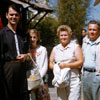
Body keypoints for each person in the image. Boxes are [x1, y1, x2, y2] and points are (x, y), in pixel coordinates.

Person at [0, 4, 31, 100]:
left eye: (16, 15)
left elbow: (29, 54)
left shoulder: (23, 35)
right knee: (8, 96)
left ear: (19, 16)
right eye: (11, 14)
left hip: (22, 69)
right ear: (6, 15)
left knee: (23, 96)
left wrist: (26, 56)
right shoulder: (1, 34)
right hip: (7, 69)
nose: (14, 17)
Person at [49, 25, 83, 100]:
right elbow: (50, 64)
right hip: (60, 80)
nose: (63, 37)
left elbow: (80, 61)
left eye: (65, 35)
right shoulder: (55, 48)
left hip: (73, 80)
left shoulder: (75, 47)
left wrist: (67, 65)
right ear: (58, 36)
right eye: (61, 35)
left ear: (69, 35)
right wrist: (57, 67)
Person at [27, 29, 49, 100]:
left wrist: (37, 78)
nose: (32, 39)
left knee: (42, 97)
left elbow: (45, 66)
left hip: (40, 78)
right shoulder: (26, 50)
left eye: (34, 37)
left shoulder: (42, 49)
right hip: (29, 79)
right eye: (30, 37)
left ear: (37, 38)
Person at [82, 20, 100, 100]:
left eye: (94, 30)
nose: (92, 32)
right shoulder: (85, 42)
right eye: (90, 29)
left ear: (99, 31)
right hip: (85, 74)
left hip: (96, 75)